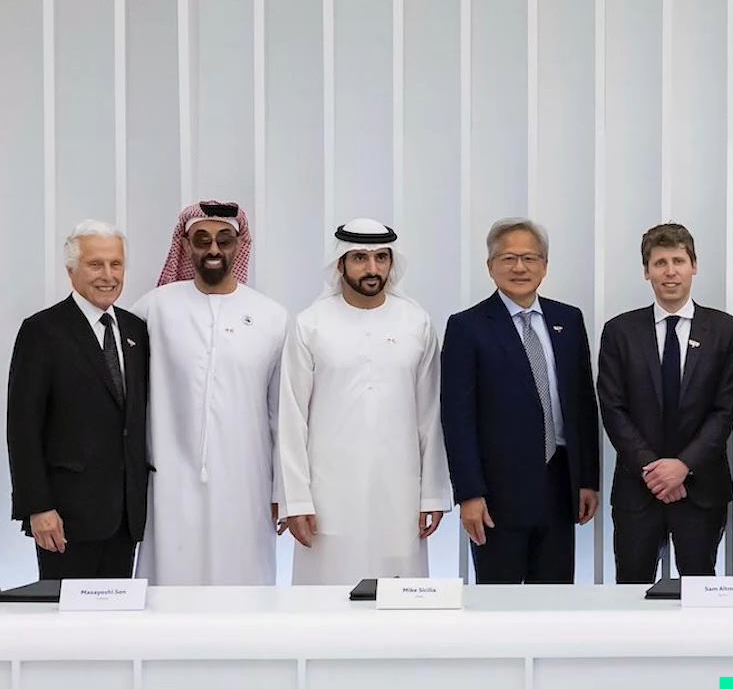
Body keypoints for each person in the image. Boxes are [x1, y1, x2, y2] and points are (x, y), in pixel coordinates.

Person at [277, 220, 450, 583]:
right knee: (327, 597)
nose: (372, 268)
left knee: (398, 598)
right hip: (327, 496)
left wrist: (432, 496)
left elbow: (431, 416)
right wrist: (297, 501)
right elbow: (292, 418)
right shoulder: (310, 324)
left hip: (399, 493)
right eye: (359, 258)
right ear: (340, 263)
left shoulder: (416, 323)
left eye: (381, 258)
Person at [130, 201, 288, 586]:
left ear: (240, 244)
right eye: (202, 240)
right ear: (185, 245)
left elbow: (282, 414)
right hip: (169, 481)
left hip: (246, 482)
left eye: (224, 239)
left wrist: (284, 492)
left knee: (243, 589)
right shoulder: (153, 309)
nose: (213, 249)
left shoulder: (271, 316)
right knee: (170, 587)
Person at [440, 218, 601, 585]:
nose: (519, 268)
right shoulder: (467, 326)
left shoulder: (568, 320)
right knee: (498, 601)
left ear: (544, 265)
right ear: (490, 266)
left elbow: (582, 406)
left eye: (529, 258)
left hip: (560, 484)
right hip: (497, 492)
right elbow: (457, 418)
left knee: (555, 598)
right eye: (508, 258)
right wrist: (469, 493)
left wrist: (587, 480)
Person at [598, 223, 733, 581]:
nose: (670, 271)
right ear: (646, 271)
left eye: (678, 261)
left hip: (701, 488)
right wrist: (654, 470)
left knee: (700, 591)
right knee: (630, 589)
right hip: (638, 487)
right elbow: (613, 408)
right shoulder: (620, 332)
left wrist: (683, 466)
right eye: (660, 262)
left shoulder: (726, 331)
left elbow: (725, 410)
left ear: (694, 265)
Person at [6, 221, 150, 579]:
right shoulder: (42, 331)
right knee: (64, 614)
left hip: (125, 517)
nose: (108, 275)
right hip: (65, 520)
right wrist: (37, 507)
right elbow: (23, 427)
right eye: (95, 264)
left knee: (118, 614)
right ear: (71, 270)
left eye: (116, 264)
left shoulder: (136, 330)